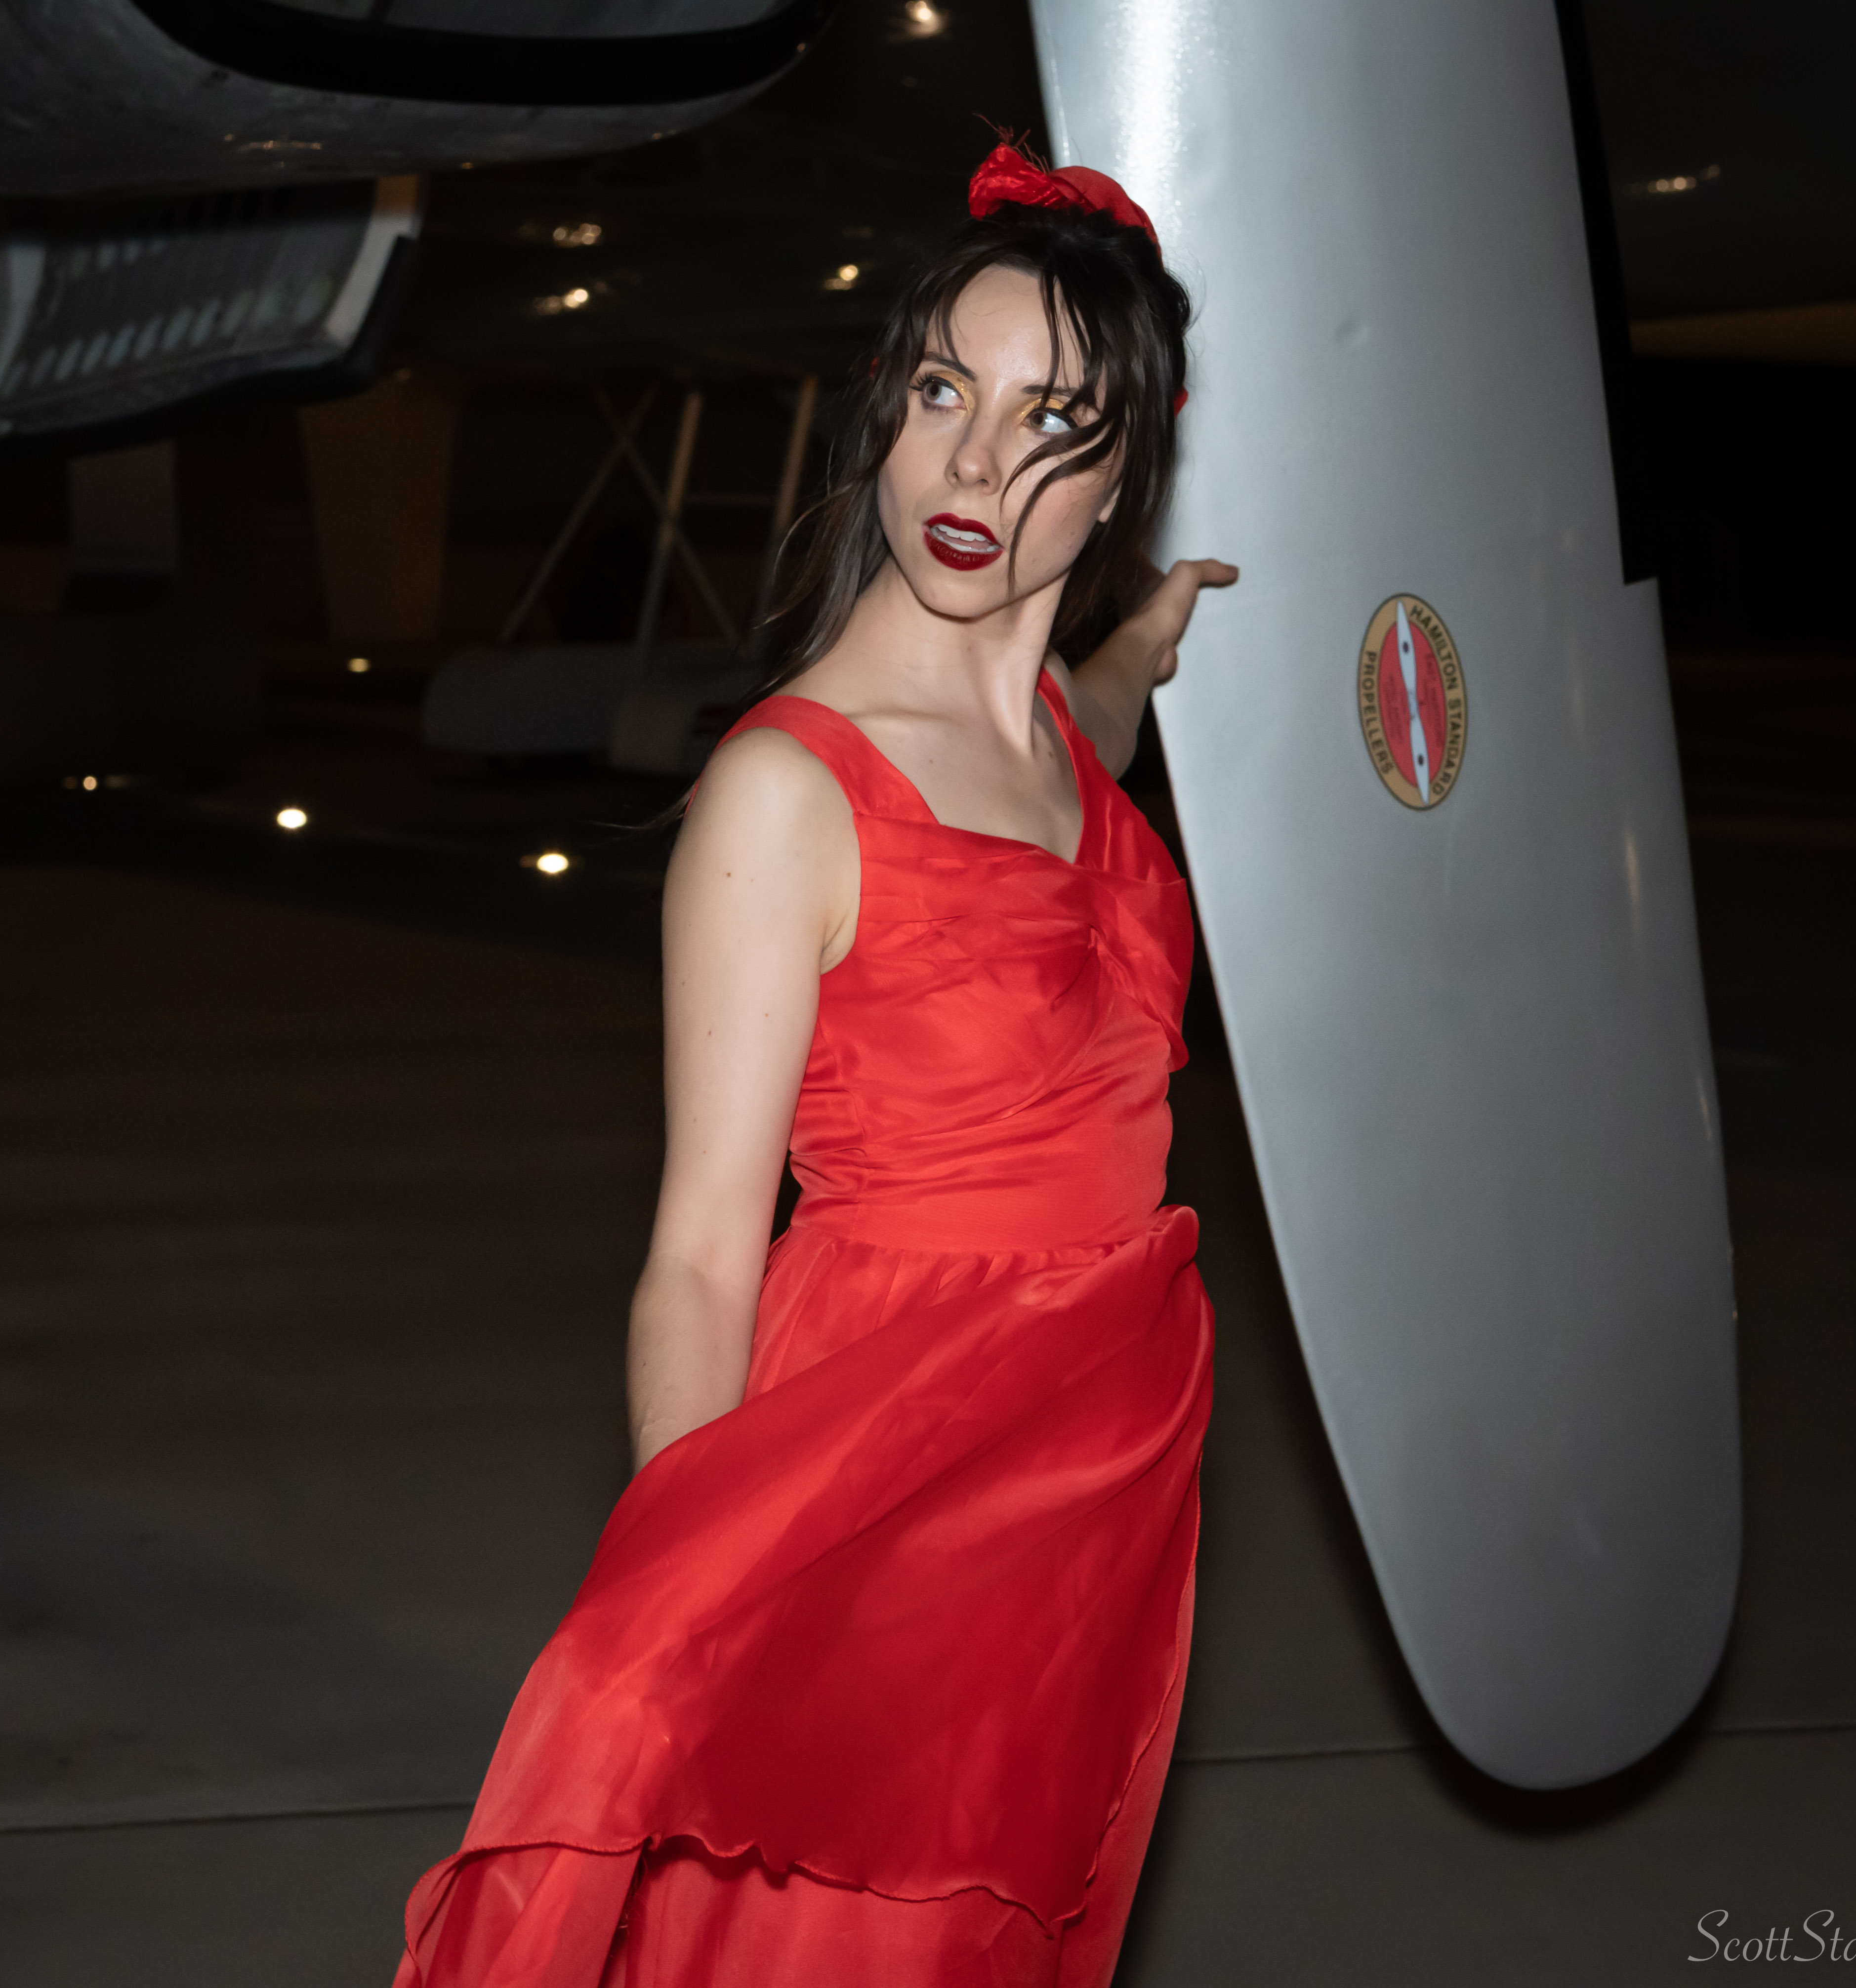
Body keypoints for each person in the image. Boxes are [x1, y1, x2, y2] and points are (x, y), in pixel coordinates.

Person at [394, 143, 1239, 1988]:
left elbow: (1086, 715)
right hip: (873, 1477)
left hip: (1082, 1515)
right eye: (943, 392)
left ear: (1122, 483)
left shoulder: (1053, 734)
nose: (972, 466)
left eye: (1048, 423)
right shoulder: (789, 793)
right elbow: (703, 1254)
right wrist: (702, 1605)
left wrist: (1150, 641)